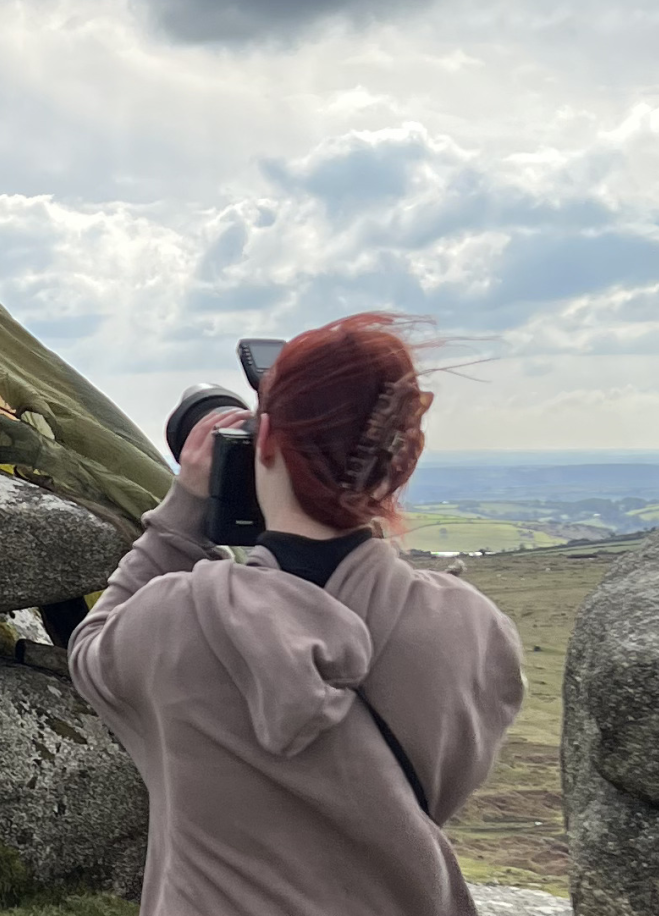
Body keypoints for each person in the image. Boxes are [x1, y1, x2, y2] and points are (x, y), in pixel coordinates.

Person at [68, 314, 523, 916]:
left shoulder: (175, 624)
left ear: (265, 441)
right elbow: (437, 791)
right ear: (400, 461)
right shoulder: (473, 631)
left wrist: (183, 509)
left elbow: (90, 650)